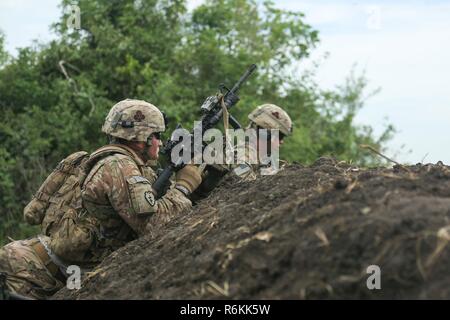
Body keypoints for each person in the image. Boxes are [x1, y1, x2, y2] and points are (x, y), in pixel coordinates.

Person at [0, 99, 202, 299]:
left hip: (35, 264)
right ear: (142, 138)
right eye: (157, 135)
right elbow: (155, 225)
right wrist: (184, 186)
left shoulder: (110, 162)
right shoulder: (119, 167)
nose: (160, 142)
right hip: (30, 275)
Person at [192, 103, 293, 200]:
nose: (281, 142)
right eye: (280, 136)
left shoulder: (253, 152)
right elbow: (242, 179)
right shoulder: (244, 153)